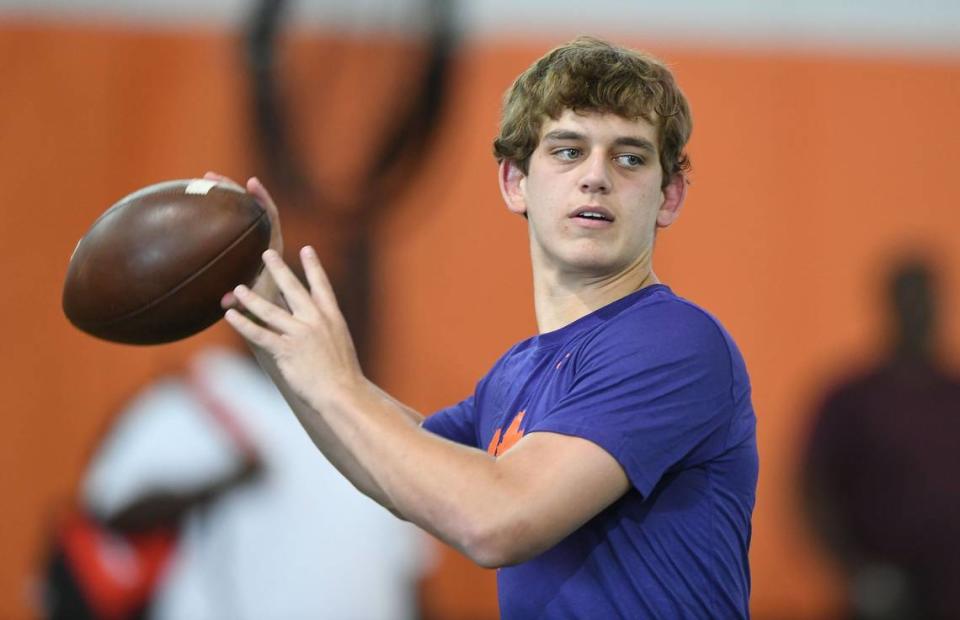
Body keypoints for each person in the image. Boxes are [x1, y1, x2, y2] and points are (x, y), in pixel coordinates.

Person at [215, 35, 758, 618]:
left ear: (669, 195)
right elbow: (400, 465)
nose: (596, 176)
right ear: (514, 182)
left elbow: (497, 519)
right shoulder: (517, 371)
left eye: (629, 157)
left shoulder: (676, 343)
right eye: (568, 150)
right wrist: (278, 343)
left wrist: (336, 384)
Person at [49, 346, 428, 620]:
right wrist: (222, 481)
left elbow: (409, 577)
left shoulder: (369, 422)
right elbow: (109, 516)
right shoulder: (192, 401)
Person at [803, 258, 960, 619]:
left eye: (926, 300)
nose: (919, 311)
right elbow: (814, 491)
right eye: (910, 300)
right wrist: (856, 570)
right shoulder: (851, 400)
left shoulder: (954, 395)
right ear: (891, 305)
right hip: (883, 595)